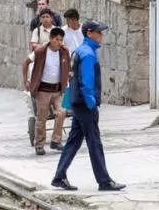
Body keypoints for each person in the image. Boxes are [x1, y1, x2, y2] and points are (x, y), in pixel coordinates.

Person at [51, 21, 124, 193]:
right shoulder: (88, 54)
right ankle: (104, 181)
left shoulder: (79, 51)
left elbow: (73, 78)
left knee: (74, 141)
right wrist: (92, 104)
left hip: (77, 102)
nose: (101, 36)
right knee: (94, 142)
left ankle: (59, 176)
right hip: (85, 104)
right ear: (90, 33)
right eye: (99, 32)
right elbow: (86, 82)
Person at [29, 27, 69, 155]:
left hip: (57, 90)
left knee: (61, 112)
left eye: (61, 40)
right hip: (43, 90)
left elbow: (66, 67)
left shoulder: (64, 52)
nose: (59, 42)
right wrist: (26, 81)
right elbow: (26, 63)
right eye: (57, 39)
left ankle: (56, 141)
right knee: (42, 118)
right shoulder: (40, 51)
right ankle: (39, 144)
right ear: (51, 38)